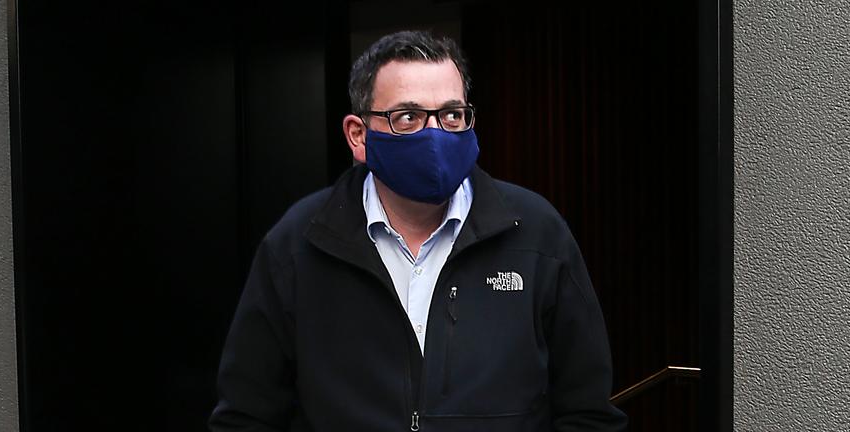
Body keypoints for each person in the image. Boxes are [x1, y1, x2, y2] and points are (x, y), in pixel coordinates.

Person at [210, 30, 626, 431]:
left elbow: (587, 412)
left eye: (451, 115)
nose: (435, 135)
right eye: (408, 117)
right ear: (358, 135)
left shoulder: (537, 233)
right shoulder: (298, 244)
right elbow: (247, 415)